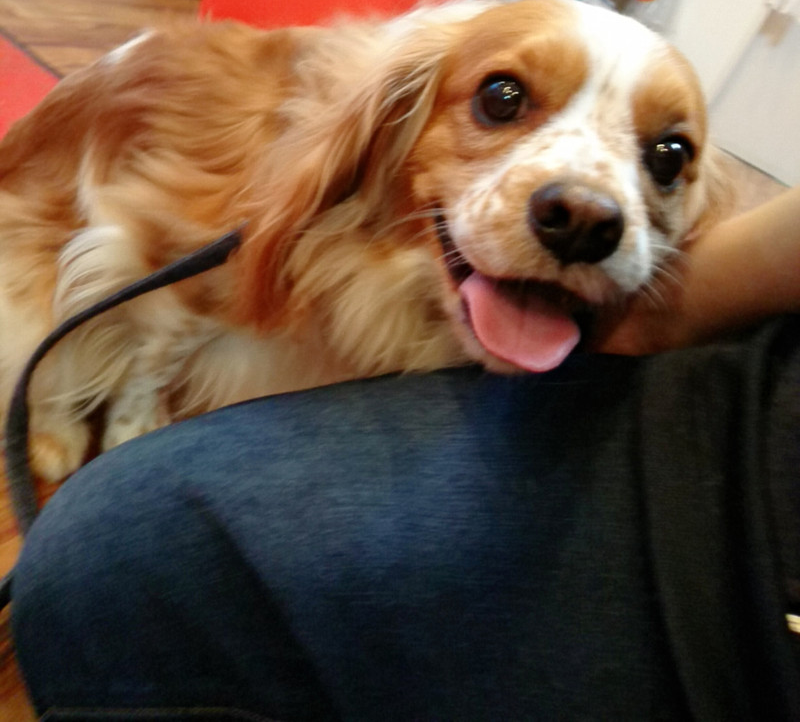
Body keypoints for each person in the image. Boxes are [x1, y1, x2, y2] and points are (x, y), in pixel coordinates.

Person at [9, 187, 800, 721]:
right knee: (113, 550)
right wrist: (666, 316)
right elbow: (166, 249)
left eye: (663, 158)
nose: (587, 205)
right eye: (502, 100)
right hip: (732, 432)